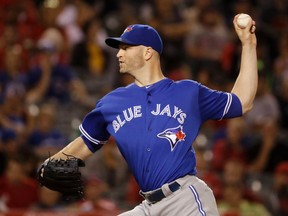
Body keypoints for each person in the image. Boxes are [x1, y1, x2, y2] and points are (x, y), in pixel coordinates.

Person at [40, 14, 258, 216]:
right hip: (149, 206)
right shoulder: (111, 103)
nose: (118, 53)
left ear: (147, 52)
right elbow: (85, 143)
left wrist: (248, 44)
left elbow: (242, 101)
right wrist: (52, 162)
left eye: (126, 47)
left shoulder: (188, 92)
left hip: (185, 199)